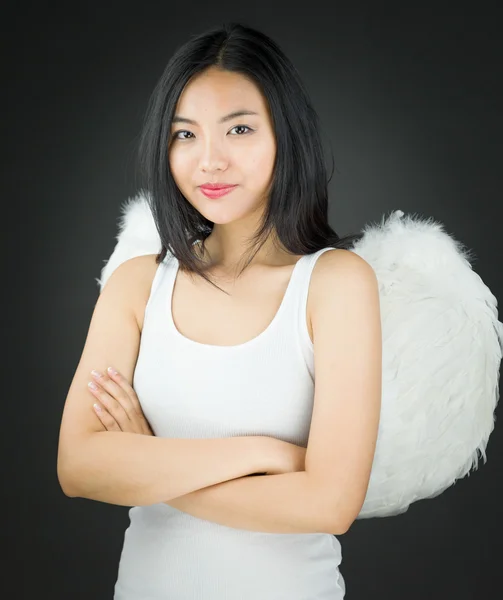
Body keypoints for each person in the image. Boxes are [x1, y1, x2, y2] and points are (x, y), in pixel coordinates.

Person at [57, 21, 382, 599]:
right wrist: (265, 455)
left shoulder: (335, 285)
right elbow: (78, 467)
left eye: (238, 129)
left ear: (287, 134)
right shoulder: (137, 286)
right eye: (185, 135)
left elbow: (331, 504)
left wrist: (149, 464)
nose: (210, 160)